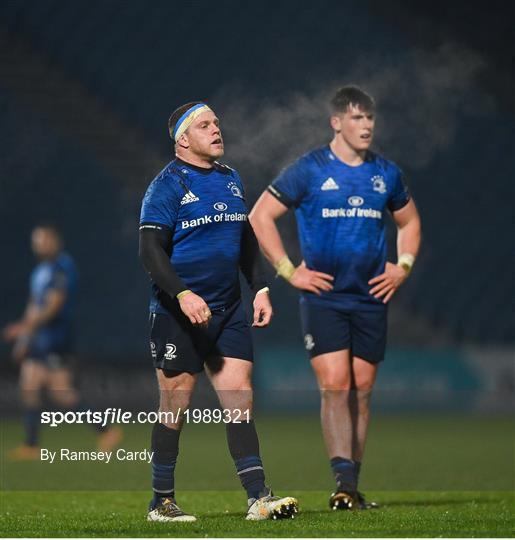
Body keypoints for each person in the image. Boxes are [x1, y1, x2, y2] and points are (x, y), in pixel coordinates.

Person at [249, 86, 422, 510]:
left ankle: (352, 485)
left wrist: (403, 266)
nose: (366, 126)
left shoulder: (386, 172)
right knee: (334, 385)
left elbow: (410, 220)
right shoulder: (309, 169)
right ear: (336, 122)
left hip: (369, 297)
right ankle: (343, 483)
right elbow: (260, 216)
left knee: (362, 389)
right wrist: (290, 271)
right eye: (357, 118)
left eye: (370, 119)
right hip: (325, 296)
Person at [139, 102, 298, 522]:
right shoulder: (167, 185)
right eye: (205, 125)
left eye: (217, 123)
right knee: (175, 403)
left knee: (240, 398)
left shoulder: (230, 179)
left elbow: (245, 240)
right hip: (179, 313)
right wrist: (183, 294)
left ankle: (258, 497)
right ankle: (162, 501)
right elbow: (150, 250)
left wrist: (260, 287)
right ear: (183, 140)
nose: (216, 130)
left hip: (227, 310)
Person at [2, 223, 122, 459]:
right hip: (39, 338)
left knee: (62, 393)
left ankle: (107, 431)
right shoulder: (39, 271)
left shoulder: (61, 267)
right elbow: (33, 305)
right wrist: (25, 338)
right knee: (29, 387)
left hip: (56, 338)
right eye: (36, 241)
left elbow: (53, 305)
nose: (40, 245)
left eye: (44, 240)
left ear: (55, 241)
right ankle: (31, 445)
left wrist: (24, 328)